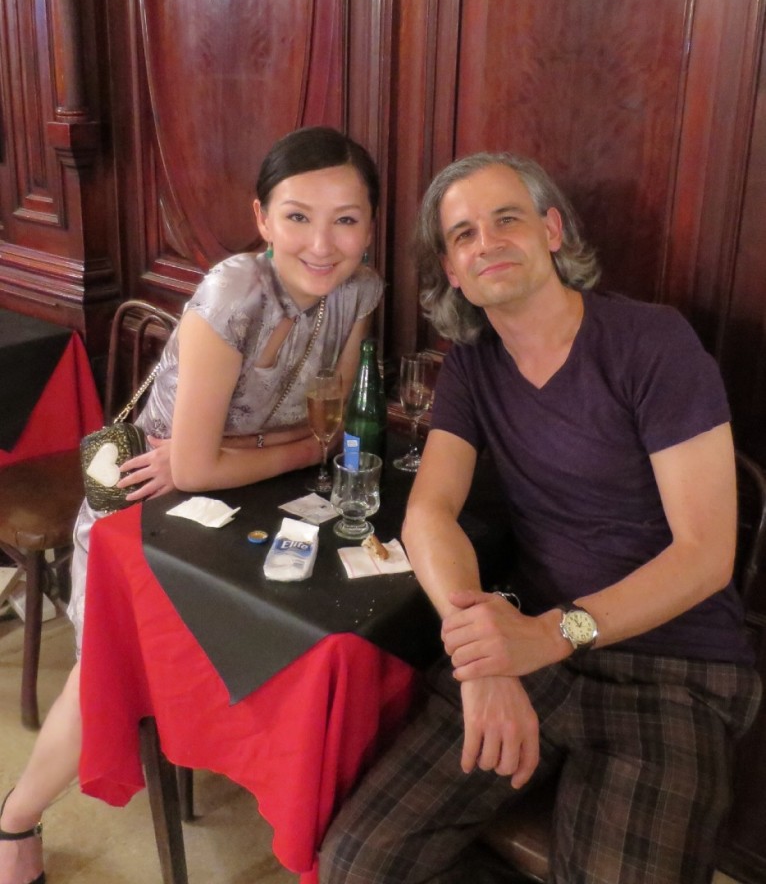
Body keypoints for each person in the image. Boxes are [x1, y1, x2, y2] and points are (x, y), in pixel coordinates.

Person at [319, 152, 762, 884]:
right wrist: (481, 657)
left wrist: (545, 637)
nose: (486, 241)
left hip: (674, 669)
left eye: (506, 219)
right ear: (453, 271)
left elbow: (706, 554)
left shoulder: (652, 342)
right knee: (358, 865)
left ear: (552, 230)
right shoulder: (470, 364)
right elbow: (429, 513)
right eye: (462, 235)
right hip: (525, 647)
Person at [0, 125, 384, 884]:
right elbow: (212, 462)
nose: (323, 242)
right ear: (263, 218)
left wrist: (243, 459)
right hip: (147, 499)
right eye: (298, 215)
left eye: (347, 217)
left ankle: (273, 778)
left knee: (318, 628)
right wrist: (283, 454)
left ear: (371, 223)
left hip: (256, 495)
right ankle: (15, 819)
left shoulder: (363, 291)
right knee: (111, 665)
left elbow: (326, 425)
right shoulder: (235, 289)